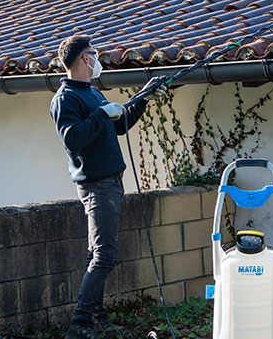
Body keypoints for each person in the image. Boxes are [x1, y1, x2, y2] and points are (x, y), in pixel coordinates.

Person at [49, 34, 167, 339]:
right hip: (96, 185)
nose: (97, 57)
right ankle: (80, 324)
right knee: (105, 255)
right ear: (84, 59)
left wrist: (142, 97)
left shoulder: (92, 92)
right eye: (93, 53)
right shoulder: (66, 98)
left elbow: (119, 125)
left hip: (111, 183)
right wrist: (102, 114)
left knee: (95, 254)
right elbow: (73, 139)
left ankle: (97, 318)